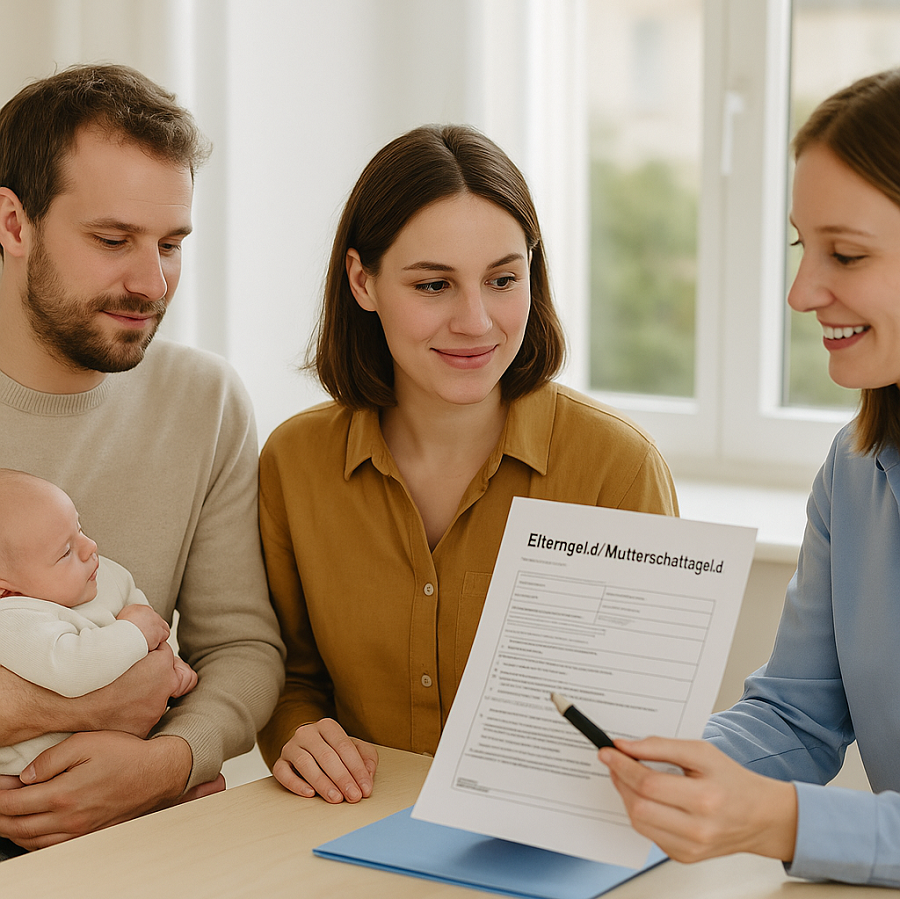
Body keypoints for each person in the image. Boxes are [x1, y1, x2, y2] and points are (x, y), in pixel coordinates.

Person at [256, 123, 679, 805]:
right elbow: (291, 678)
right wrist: (298, 732)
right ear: (363, 281)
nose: (477, 321)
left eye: (503, 279)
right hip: (348, 832)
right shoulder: (293, 462)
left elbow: (643, 717)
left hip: (550, 840)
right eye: (433, 286)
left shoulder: (616, 468)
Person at [599, 67, 900, 887]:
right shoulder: (854, 470)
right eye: (805, 247)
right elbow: (798, 714)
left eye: (846, 253)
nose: (803, 292)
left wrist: (782, 820)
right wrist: (665, 769)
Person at [0, 64, 284, 856]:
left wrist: (164, 763)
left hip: (141, 840)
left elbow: (244, 650)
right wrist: (63, 709)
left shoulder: (206, 400)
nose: (151, 282)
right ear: (13, 224)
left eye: (171, 244)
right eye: (112, 240)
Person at [0, 470, 198, 781]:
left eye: (79, 528)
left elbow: (149, 622)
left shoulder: (101, 574)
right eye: (66, 552)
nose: (90, 546)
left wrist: (170, 664)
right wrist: (133, 631)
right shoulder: (12, 619)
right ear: (7, 590)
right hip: (41, 779)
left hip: (121, 756)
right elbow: (71, 668)